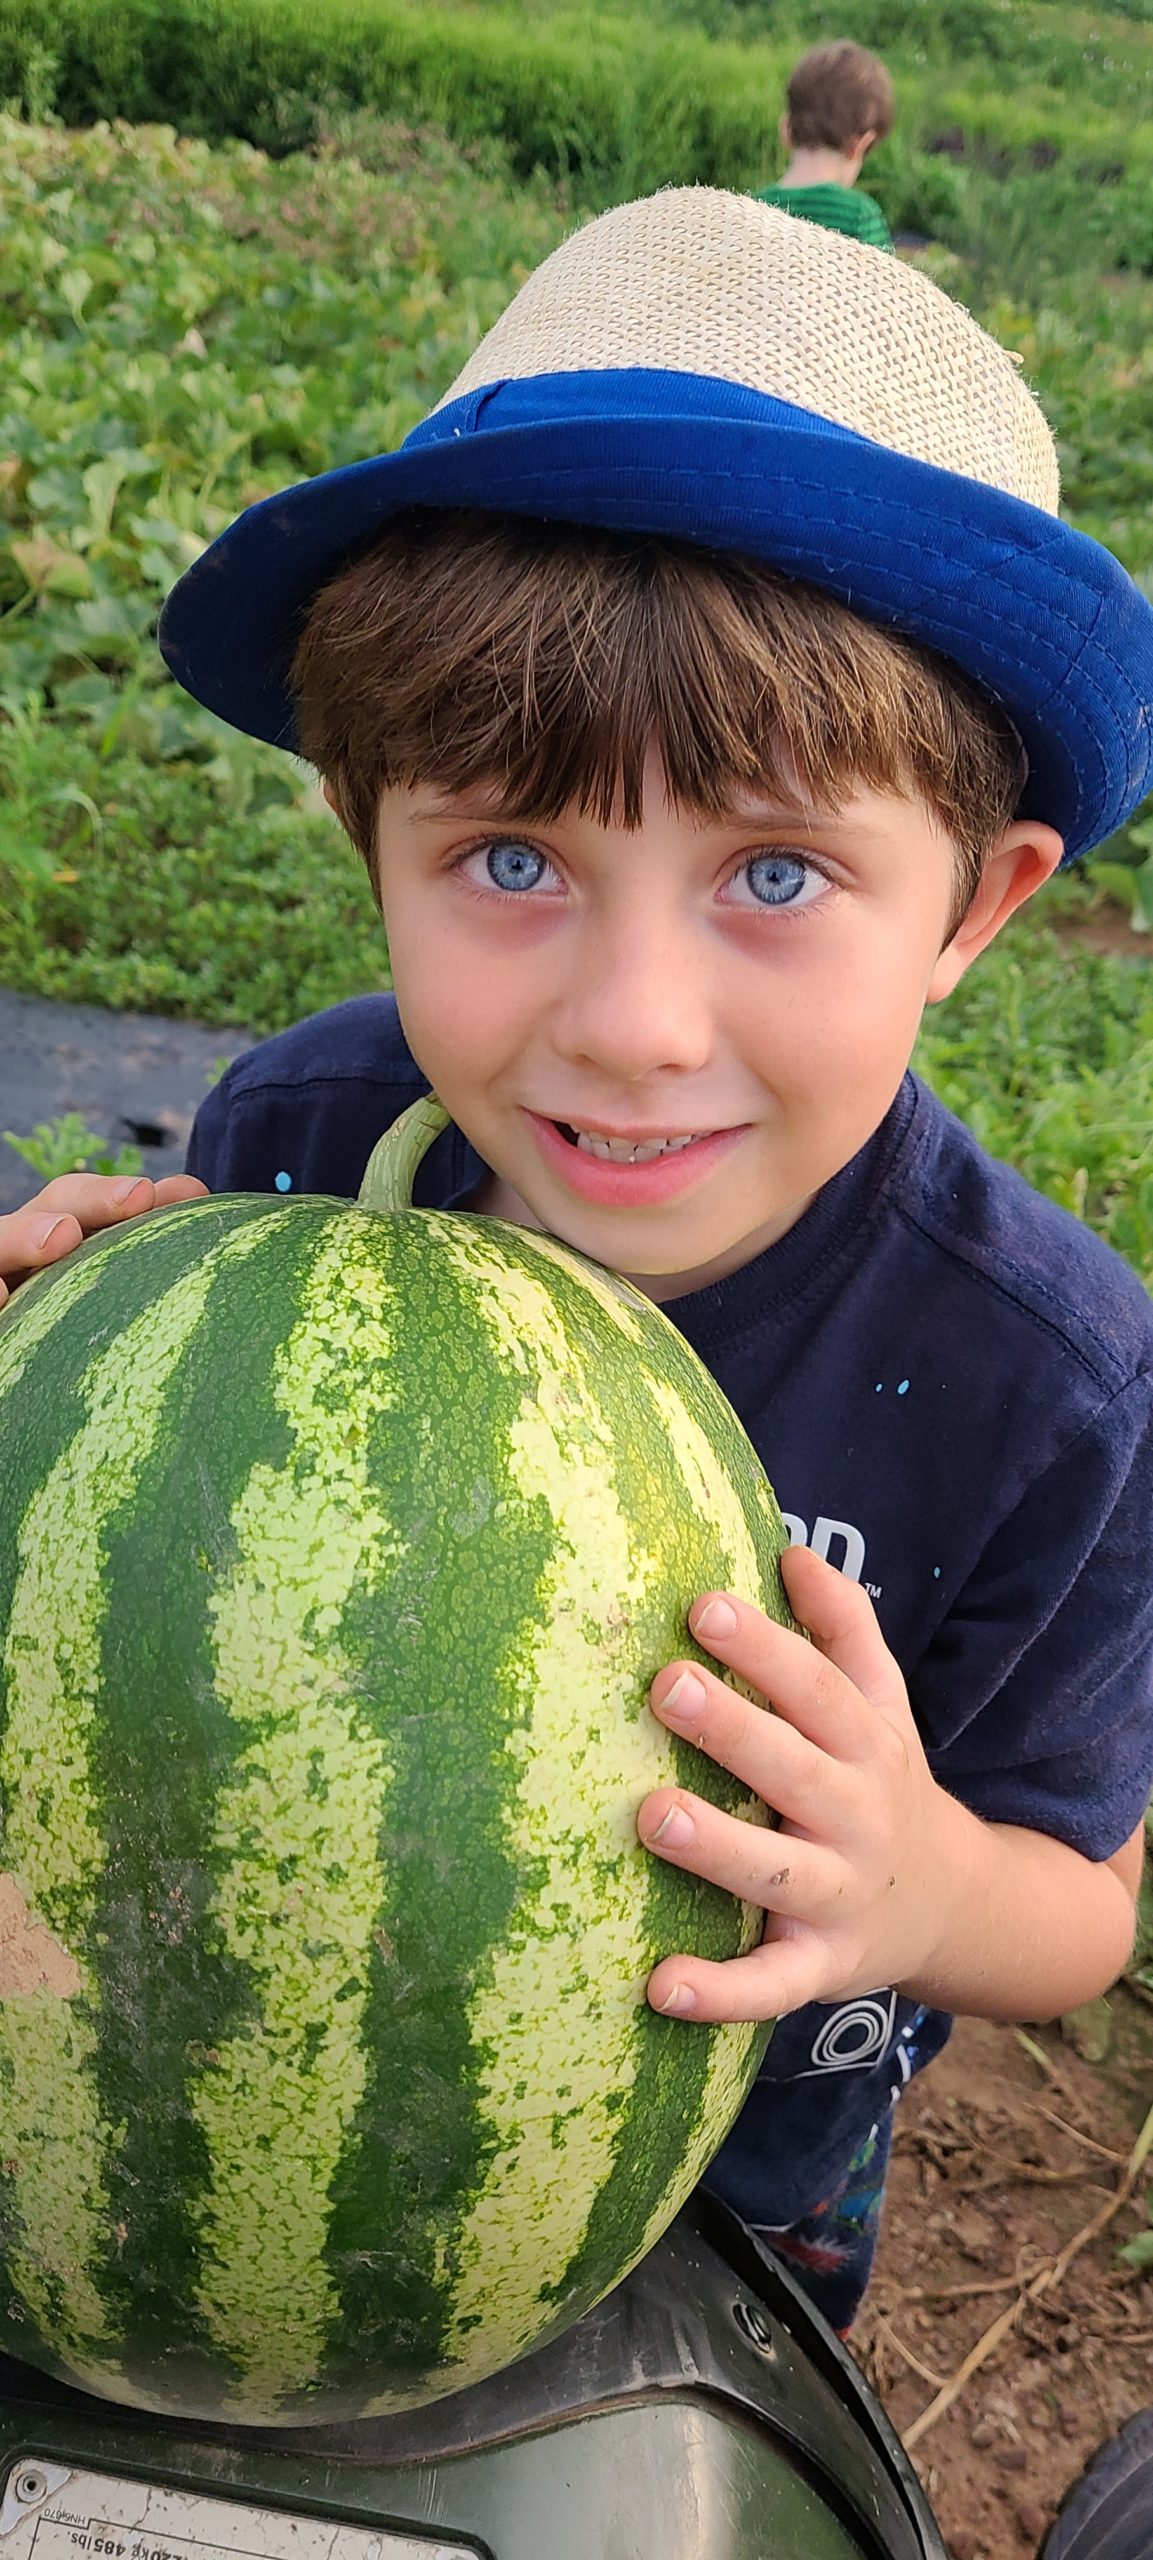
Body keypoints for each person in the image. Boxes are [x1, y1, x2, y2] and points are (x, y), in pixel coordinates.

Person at [5, 188, 1153, 2338]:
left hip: (728, 2215)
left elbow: (1078, 1909)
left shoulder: (1051, 1379)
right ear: (367, 837)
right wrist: (58, 1390)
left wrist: (919, 1880)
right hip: (204, 2146)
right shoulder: (300, 1135)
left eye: (776, 874)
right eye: (513, 855)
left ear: (977, 906)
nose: (630, 1021)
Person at [756, 38, 895, 250]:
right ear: (860, 145)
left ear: (785, 130)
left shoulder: (754, 208)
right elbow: (887, 273)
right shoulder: (859, 215)